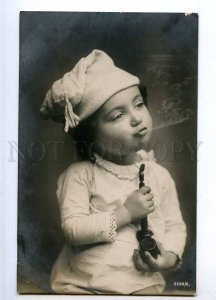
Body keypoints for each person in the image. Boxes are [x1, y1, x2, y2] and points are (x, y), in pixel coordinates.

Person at [40, 49, 187, 295]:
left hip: (144, 283)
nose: (136, 119)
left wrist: (168, 258)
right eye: (118, 115)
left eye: (138, 104)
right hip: (85, 285)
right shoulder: (81, 175)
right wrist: (126, 212)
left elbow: (174, 226)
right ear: (90, 135)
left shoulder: (159, 175)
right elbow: (73, 228)